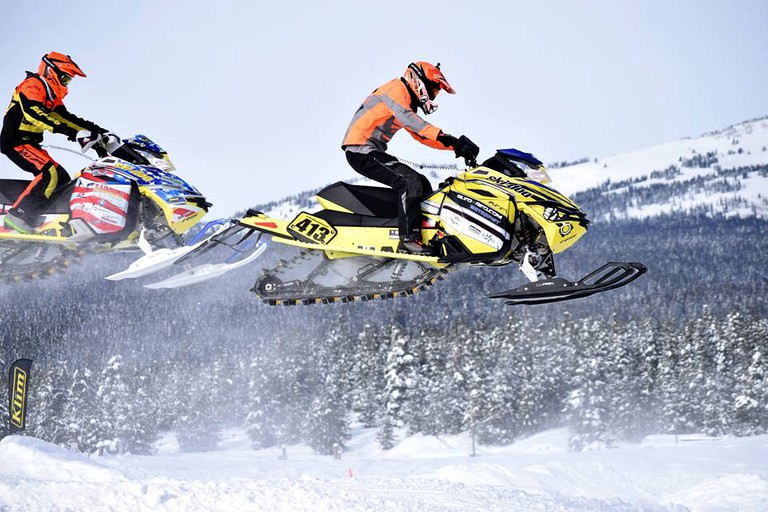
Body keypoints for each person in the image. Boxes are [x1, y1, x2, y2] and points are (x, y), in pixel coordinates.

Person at [341, 61, 479, 254]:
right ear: (419, 80)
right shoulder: (396, 89)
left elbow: (421, 135)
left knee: (421, 183)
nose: (433, 94)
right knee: (409, 182)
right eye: (433, 89)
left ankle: (425, 234)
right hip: (360, 149)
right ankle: (409, 239)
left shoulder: (405, 101)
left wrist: (455, 146)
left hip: (370, 150)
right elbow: (411, 121)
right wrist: (450, 139)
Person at [1, 52, 109, 233]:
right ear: (52, 72)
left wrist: (99, 132)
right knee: (49, 174)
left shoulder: (51, 95)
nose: (66, 84)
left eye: (69, 80)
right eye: (65, 78)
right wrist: (71, 132)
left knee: (62, 179)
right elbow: (34, 112)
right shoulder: (32, 85)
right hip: (15, 141)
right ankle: (18, 217)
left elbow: (65, 118)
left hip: (30, 143)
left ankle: (45, 220)